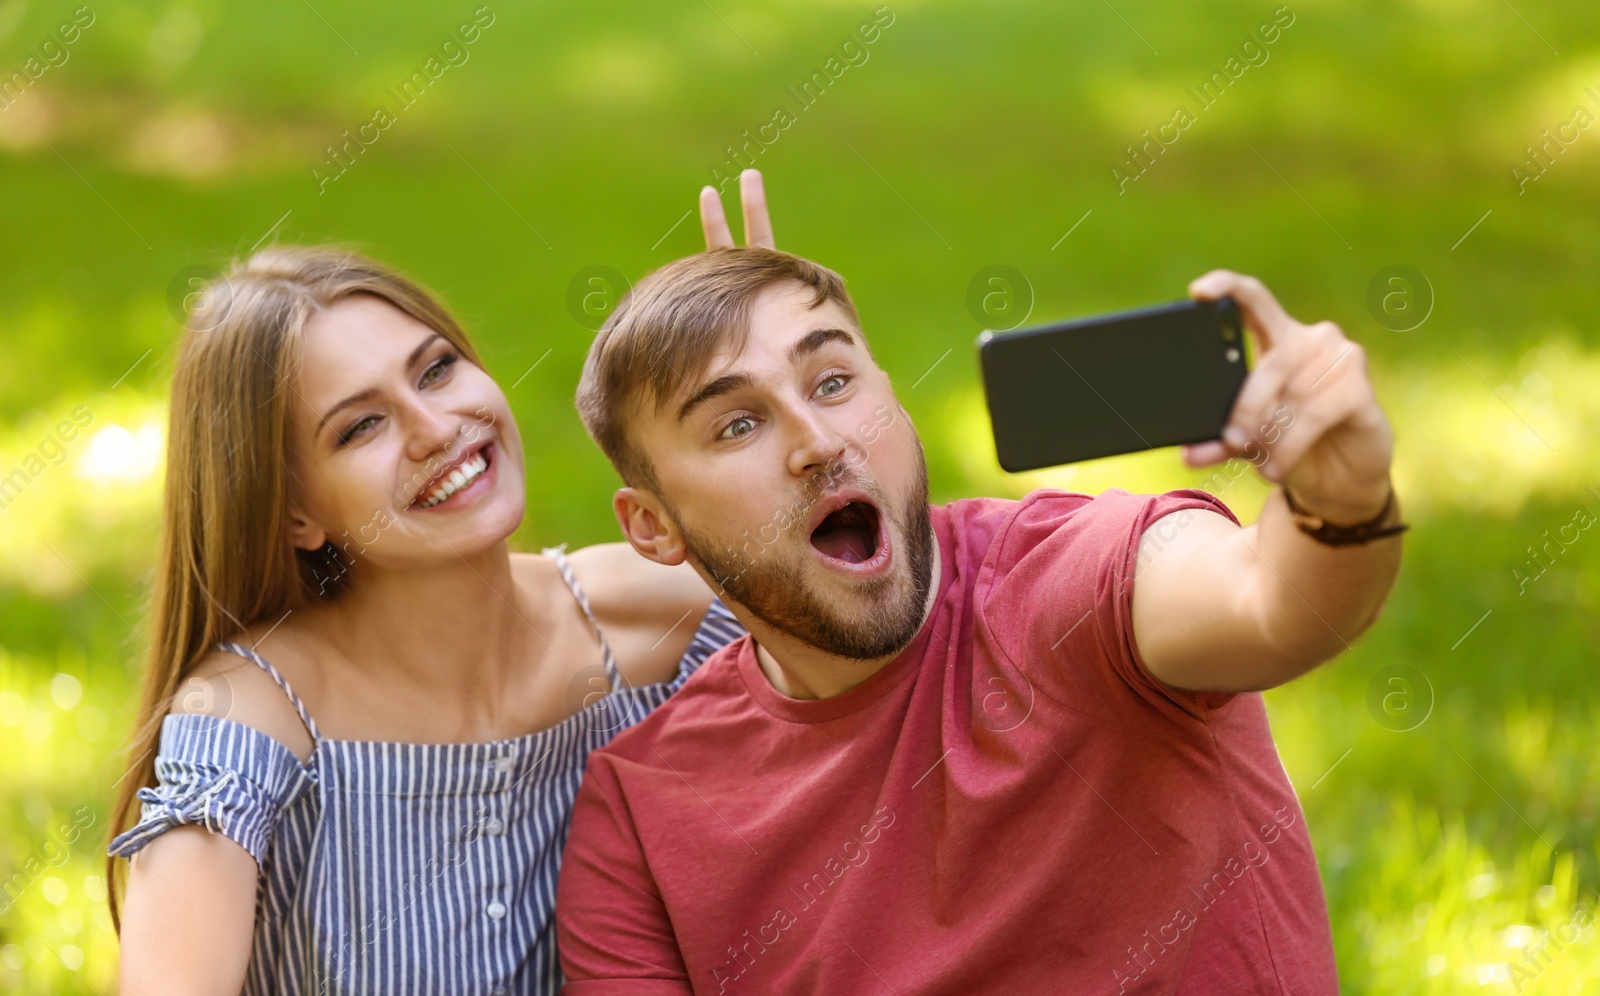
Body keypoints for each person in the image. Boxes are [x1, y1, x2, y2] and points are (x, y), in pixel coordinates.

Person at [555, 191, 1404, 992]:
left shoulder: (1063, 582)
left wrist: (1340, 503)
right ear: (652, 525)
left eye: (834, 381)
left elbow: (1274, 601)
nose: (816, 442)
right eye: (737, 424)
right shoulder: (641, 813)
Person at [104, 204, 788, 994]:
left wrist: (764, 397)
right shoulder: (250, 717)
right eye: (361, 427)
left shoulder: (670, 619)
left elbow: (911, 644)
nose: (437, 427)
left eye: (436, 369)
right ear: (294, 512)